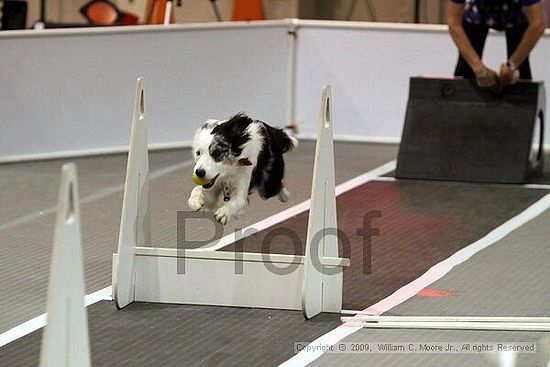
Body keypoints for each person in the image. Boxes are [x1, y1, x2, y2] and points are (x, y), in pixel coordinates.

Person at [448, 0, 546, 90]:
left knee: (518, 73)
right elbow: (454, 23)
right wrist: (478, 67)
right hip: (476, 13)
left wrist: (512, 65)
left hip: (516, 14)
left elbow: (537, 24)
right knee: (466, 70)